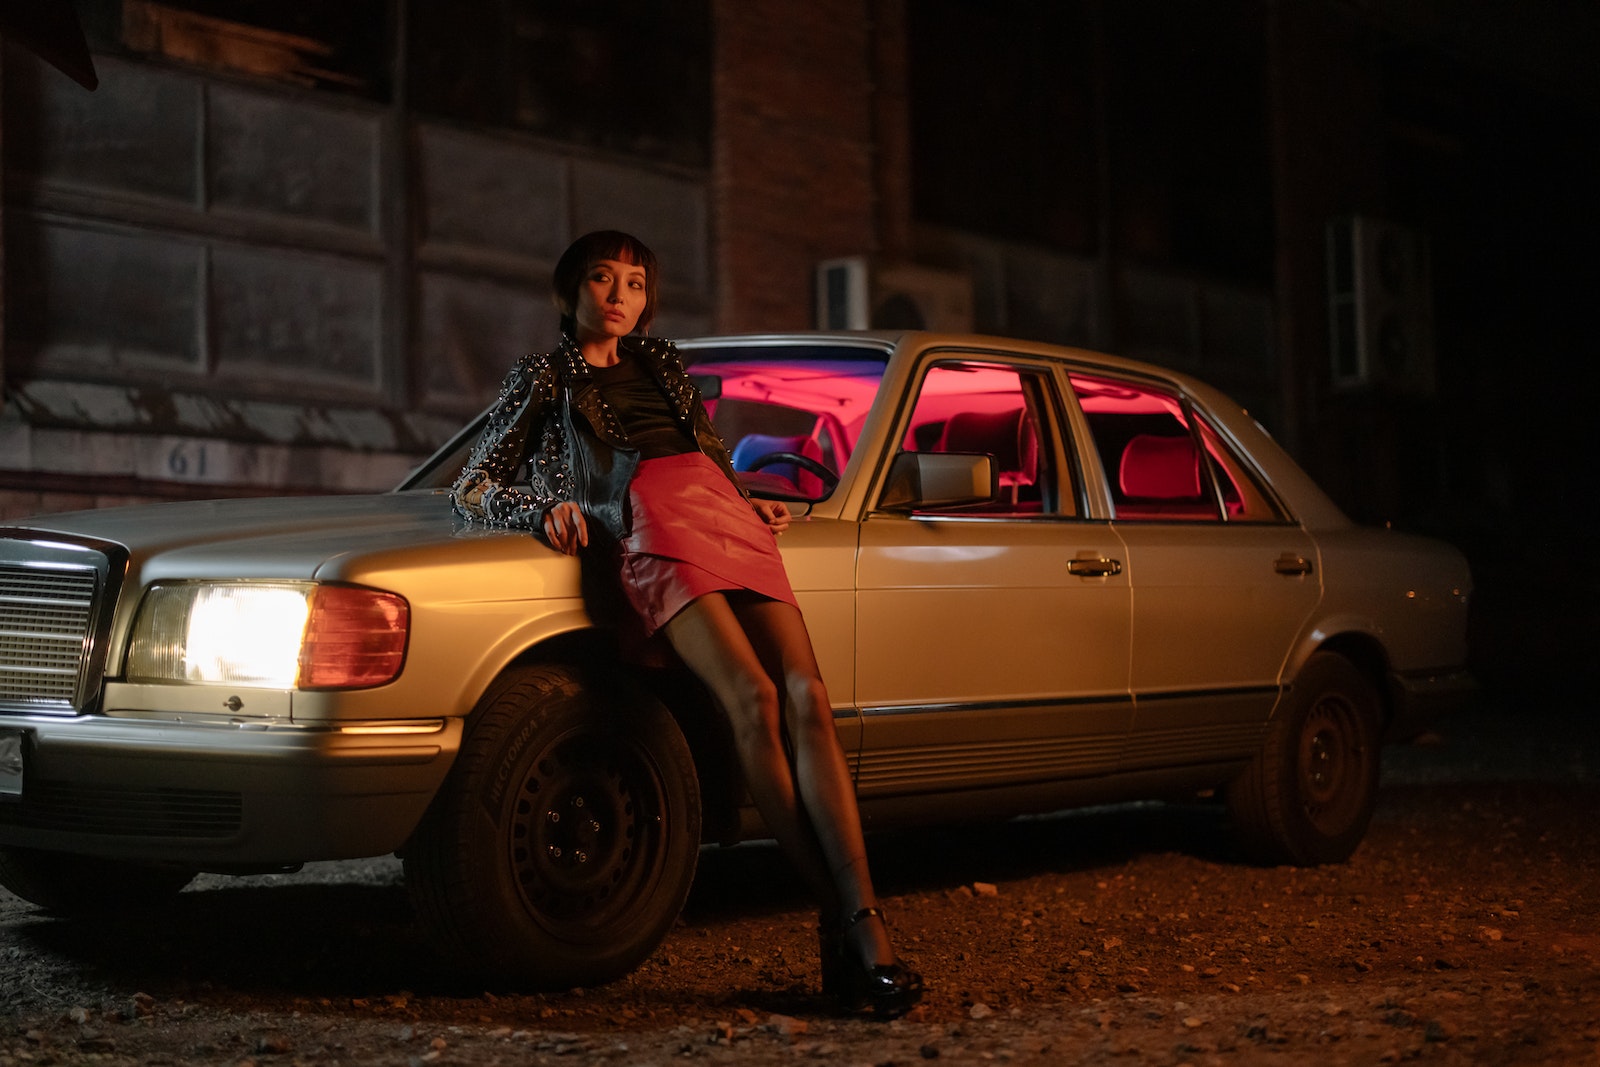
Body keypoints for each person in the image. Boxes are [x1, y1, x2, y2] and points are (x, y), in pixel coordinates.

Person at [451, 230, 923, 1017]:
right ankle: (858, 924)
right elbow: (474, 483)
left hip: (719, 510)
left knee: (808, 693)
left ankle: (851, 916)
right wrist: (545, 506)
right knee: (754, 700)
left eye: (634, 283)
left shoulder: (664, 359)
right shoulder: (543, 375)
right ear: (569, 294)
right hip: (652, 521)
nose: (619, 296)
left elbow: (702, 446)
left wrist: (746, 495)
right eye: (602, 280)